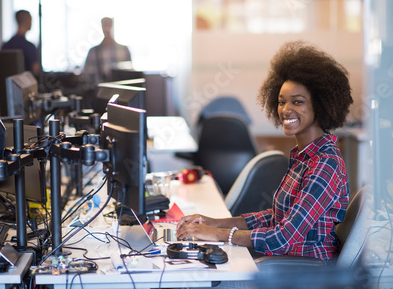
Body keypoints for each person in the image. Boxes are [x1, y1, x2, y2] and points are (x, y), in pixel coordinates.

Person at [176, 40, 354, 262]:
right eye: (281, 102)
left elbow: (283, 237)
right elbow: (276, 218)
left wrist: (218, 235)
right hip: (285, 262)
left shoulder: (325, 164)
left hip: (304, 270)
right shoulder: (303, 155)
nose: (286, 110)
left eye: (297, 102)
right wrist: (214, 222)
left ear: (321, 104)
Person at [82, 17, 132, 86]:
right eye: (104, 25)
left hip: (120, 90)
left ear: (112, 26)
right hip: (98, 92)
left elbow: (130, 74)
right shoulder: (93, 52)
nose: (107, 28)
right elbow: (86, 75)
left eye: (108, 24)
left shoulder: (123, 50)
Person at [1, 10, 41, 77]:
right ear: (27, 21)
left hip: (6, 86)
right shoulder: (29, 46)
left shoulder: (5, 45)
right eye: (31, 20)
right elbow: (36, 69)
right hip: (25, 85)